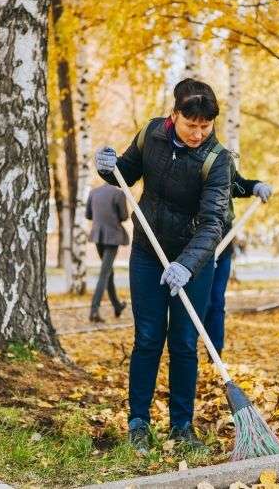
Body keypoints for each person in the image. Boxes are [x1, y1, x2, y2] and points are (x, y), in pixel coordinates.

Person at [94, 78, 231, 453]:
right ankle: (138, 421)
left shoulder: (217, 160)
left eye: (206, 127)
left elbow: (213, 222)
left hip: (194, 261)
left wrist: (186, 265)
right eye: (192, 125)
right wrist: (107, 166)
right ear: (175, 116)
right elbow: (125, 172)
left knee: (185, 342)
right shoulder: (152, 134)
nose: (198, 134)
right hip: (147, 253)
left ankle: (182, 426)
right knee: (149, 338)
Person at [202, 160, 272, 356]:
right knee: (199, 303)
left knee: (216, 302)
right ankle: (185, 352)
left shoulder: (220, 161)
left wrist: (256, 186)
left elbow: (239, 185)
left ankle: (215, 354)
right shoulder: (186, 163)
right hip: (192, 248)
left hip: (222, 246)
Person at [86, 183, 129, 322]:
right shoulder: (118, 193)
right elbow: (124, 216)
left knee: (108, 271)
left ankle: (117, 305)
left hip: (98, 235)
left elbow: (88, 215)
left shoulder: (94, 192)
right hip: (112, 237)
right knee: (105, 273)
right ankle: (94, 310)